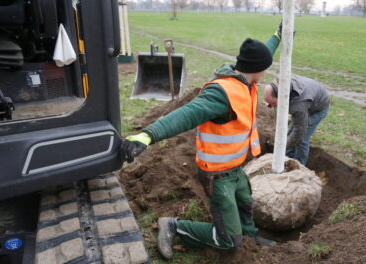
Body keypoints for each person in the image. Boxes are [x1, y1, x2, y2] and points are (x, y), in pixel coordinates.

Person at [121, 22, 283, 259]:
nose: (266, 72)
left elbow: (263, 53)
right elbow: (187, 114)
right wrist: (148, 135)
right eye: (265, 67)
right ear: (257, 68)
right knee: (229, 241)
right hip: (218, 175)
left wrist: (278, 35)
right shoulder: (221, 94)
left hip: (236, 168)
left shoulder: (247, 80)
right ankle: (176, 226)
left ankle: (250, 235)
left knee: (245, 205)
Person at [263, 74, 330, 165]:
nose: (271, 107)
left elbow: (300, 130)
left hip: (318, 109)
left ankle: (299, 165)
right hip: (309, 99)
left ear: (282, 97)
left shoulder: (298, 106)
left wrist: (282, 146)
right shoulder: (281, 82)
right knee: (290, 133)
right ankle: (287, 157)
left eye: (273, 103)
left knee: (302, 139)